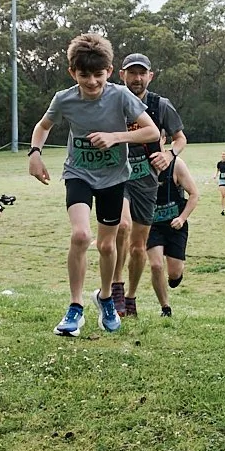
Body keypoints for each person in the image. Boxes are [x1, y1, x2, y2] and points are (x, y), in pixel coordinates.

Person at [27, 34, 160, 337]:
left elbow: (151, 132)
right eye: (84, 75)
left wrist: (116, 137)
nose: (91, 82)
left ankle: (104, 299)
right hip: (79, 174)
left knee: (106, 244)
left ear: (109, 71)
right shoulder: (64, 99)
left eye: (98, 75)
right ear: (72, 72)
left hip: (114, 178)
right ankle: (75, 307)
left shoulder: (122, 96)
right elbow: (42, 126)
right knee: (80, 234)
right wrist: (35, 154)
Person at [114, 53, 187, 318]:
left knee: (137, 246)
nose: (137, 78)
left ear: (150, 76)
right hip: (118, 175)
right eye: (132, 73)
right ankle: (116, 286)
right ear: (122, 74)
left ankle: (130, 297)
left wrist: (169, 154)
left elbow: (180, 138)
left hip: (146, 180)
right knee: (122, 226)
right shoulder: (113, 101)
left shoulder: (160, 105)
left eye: (142, 73)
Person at [144, 150, 200, 317]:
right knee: (156, 265)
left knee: (174, 273)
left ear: (163, 139)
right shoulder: (141, 164)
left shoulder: (176, 164)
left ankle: (175, 276)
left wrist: (182, 218)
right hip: (152, 225)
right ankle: (165, 307)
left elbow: (194, 194)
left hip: (175, 225)